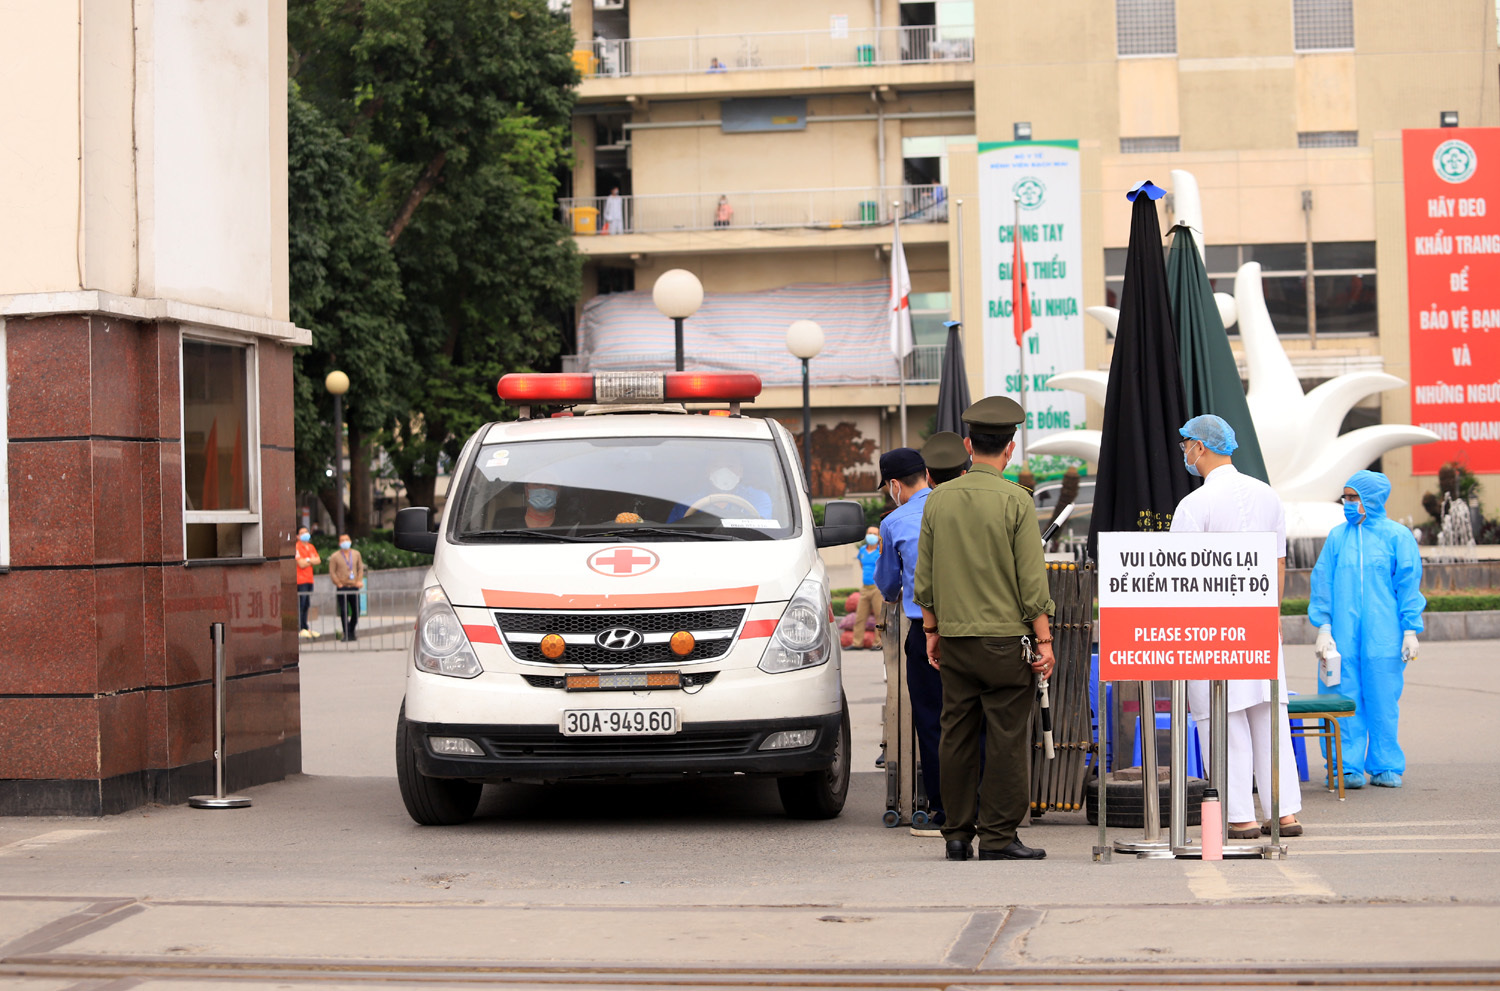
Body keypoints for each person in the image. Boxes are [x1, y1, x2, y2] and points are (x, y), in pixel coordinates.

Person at [914, 397, 1053, 862]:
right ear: (1009, 450)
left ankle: (955, 835)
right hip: (1004, 643)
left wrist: (931, 630)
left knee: (955, 735)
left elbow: (925, 576)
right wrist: (1045, 640)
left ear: (970, 446)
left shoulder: (937, 500)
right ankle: (998, 838)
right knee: (1007, 740)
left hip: (954, 639)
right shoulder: (1017, 500)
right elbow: (1032, 583)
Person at [1170, 414, 1303, 838]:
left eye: (1186, 445)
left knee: (1220, 719)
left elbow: (1176, 572)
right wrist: (1273, 614)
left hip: (1211, 628)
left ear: (1201, 447)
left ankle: (1242, 817)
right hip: (1261, 620)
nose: (1185, 453)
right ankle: (1284, 813)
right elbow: (1279, 562)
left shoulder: (1196, 505)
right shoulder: (1267, 495)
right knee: (1270, 717)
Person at [1308, 470, 1425, 789]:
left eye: (1352, 497)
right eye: (1345, 497)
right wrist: (1324, 626)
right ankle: (1346, 767)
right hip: (1340, 637)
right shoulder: (1337, 537)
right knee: (1341, 697)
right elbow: (1323, 582)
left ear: (1370, 499)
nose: (1347, 503)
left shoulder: (1397, 536)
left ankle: (1386, 764)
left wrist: (1410, 629)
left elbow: (1408, 584)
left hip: (1384, 635)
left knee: (1383, 700)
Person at [873, 448, 946, 836]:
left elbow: (887, 586)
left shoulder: (894, 522)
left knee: (933, 722)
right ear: (928, 474)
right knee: (977, 718)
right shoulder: (955, 507)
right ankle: (985, 805)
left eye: (888, 488)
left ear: (896, 485)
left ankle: (943, 811)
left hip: (926, 633)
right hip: (978, 628)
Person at [667, 451, 773, 522]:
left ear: (741, 471)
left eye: (731, 466)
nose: (724, 471)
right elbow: (673, 535)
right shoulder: (686, 504)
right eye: (717, 466)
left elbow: (762, 530)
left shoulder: (758, 499)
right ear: (708, 471)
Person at [327, 535, 365, 643]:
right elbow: (332, 572)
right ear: (339, 543)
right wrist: (338, 583)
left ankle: (351, 630)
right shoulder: (335, 556)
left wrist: (359, 580)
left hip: (353, 585)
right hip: (342, 586)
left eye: (347, 540)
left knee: (356, 610)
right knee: (344, 611)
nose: (345, 542)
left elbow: (360, 568)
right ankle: (346, 633)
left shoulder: (356, 554)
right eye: (342, 540)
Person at [851, 527, 884, 649]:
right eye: (869, 533)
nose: (871, 536)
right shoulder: (862, 550)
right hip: (865, 588)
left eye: (875, 534)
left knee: (879, 617)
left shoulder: (880, 551)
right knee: (860, 616)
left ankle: (878, 642)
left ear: (879, 536)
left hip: (877, 588)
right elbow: (861, 565)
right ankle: (857, 643)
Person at [295, 526, 321, 640]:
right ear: (297, 536)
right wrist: (310, 560)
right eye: (302, 533)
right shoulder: (297, 547)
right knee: (301, 604)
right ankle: (300, 627)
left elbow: (318, 560)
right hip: (300, 580)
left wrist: (307, 560)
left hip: (309, 579)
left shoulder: (311, 547)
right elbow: (300, 563)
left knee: (306, 604)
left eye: (306, 532)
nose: (305, 534)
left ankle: (305, 626)